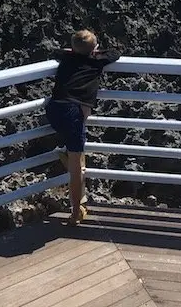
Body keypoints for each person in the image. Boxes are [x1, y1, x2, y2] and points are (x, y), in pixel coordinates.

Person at [46, 29, 120, 225]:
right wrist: (97, 52)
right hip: (73, 114)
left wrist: (71, 50)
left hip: (54, 109)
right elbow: (115, 53)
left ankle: (68, 154)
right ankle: (75, 213)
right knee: (76, 168)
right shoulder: (96, 60)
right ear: (94, 49)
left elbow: (56, 52)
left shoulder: (66, 58)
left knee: (72, 150)